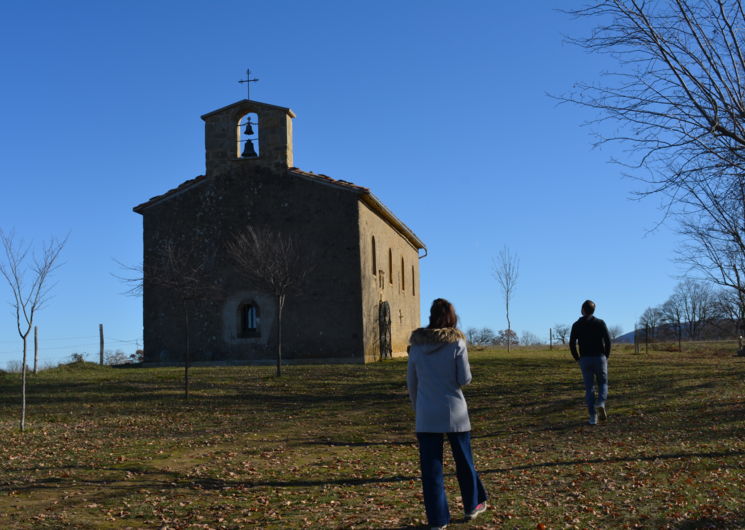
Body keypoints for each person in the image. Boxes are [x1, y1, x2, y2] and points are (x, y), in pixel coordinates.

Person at [407, 298, 487, 530]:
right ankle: (472, 505)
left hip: (426, 413)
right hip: (455, 412)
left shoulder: (417, 346)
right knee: (464, 461)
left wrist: (418, 406)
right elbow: (464, 379)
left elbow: (411, 382)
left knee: (431, 470)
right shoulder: (457, 343)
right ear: (451, 317)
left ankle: (437, 519)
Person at [569, 299, 611, 425]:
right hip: (599, 357)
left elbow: (571, 343)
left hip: (585, 359)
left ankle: (593, 417)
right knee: (603, 383)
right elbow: (608, 341)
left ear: (582, 310)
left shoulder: (576, 325)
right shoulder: (600, 323)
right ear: (593, 310)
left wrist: (577, 358)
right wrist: (606, 356)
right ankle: (601, 403)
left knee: (589, 388)